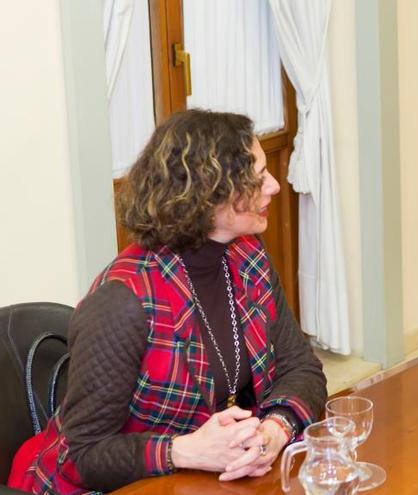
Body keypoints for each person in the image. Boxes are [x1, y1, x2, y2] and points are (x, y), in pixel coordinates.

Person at [11, 109, 328, 493]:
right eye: (257, 176)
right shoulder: (122, 300)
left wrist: (275, 430)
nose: (274, 186)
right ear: (209, 193)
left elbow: (302, 369)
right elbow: (82, 455)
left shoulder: (248, 258)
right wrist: (183, 451)